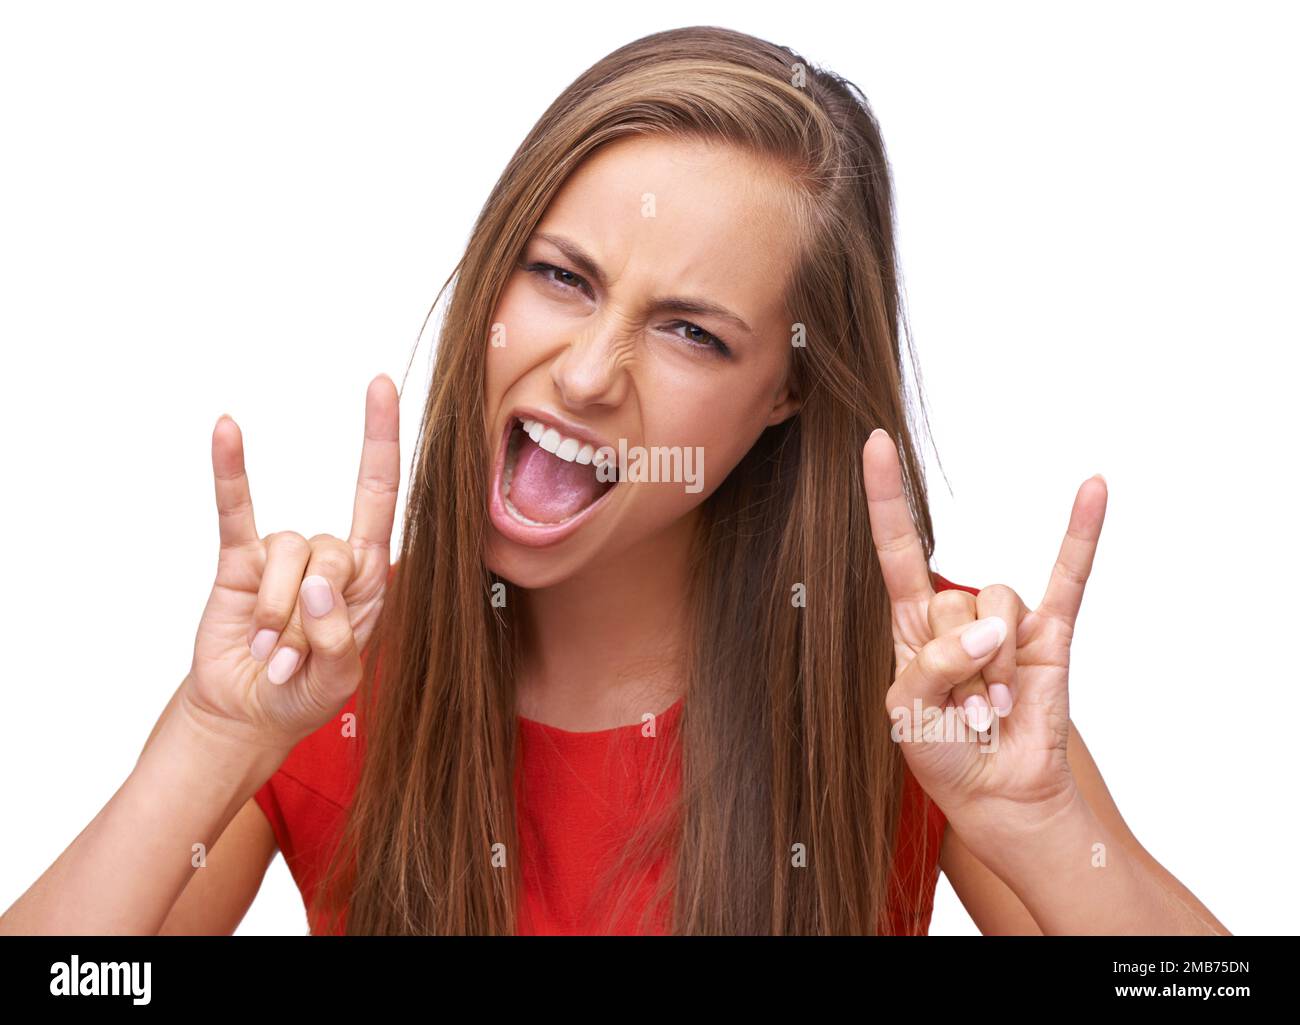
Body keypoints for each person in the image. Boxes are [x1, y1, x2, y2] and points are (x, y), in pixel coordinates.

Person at [0, 25, 1227, 936]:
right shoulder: (320, 670)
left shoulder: (927, 687)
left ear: (785, 393)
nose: (587, 373)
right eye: (562, 276)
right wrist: (206, 744)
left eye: (692, 332)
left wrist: (1056, 833)